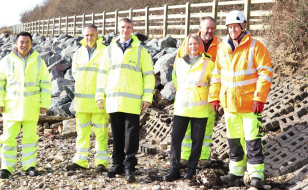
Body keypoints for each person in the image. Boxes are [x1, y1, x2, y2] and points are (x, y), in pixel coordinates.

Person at [209, 10, 272, 188]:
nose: (233, 29)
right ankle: (236, 172)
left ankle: (256, 175)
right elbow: (216, 74)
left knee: (252, 142)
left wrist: (260, 98)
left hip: (250, 105)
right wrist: (214, 97)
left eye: (236, 26)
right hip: (229, 106)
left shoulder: (255, 46)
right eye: (230, 26)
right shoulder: (222, 48)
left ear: (244, 26)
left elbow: (266, 73)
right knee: (234, 141)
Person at [95, 18, 155, 182]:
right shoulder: (109, 50)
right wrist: (100, 96)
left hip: (132, 101)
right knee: (116, 134)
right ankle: (118, 165)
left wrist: (147, 97)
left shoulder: (140, 51)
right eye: (122, 27)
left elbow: (149, 76)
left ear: (132, 29)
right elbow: (102, 75)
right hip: (113, 99)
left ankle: (130, 167)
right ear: (118, 28)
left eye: (128, 27)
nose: (125, 30)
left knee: (131, 136)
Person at [0, 31, 52, 179]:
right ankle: (6, 167)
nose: (24, 45)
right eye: (21, 42)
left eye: (27, 42)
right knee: (8, 138)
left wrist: (44, 103)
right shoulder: (6, 61)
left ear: (31, 44)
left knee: (30, 138)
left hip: (32, 106)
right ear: (16, 43)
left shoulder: (39, 61)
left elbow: (45, 84)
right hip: (11, 107)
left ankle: (29, 165)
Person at [163, 34, 214, 181]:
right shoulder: (178, 62)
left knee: (197, 140)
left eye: (196, 44)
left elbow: (213, 84)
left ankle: (191, 170)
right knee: (175, 138)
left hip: (200, 109)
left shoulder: (208, 63)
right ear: (186, 45)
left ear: (200, 46)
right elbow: (175, 81)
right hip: (182, 108)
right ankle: (173, 169)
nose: (193, 47)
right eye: (190, 44)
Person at [176, 16, 221, 168]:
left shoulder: (220, 44)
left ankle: (203, 157)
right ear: (200, 28)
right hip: (190, 97)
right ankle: (185, 157)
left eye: (212, 28)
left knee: (207, 129)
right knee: (187, 129)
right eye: (206, 28)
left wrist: (217, 95)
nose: (209, 31)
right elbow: (178, 68)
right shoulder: (189, 42)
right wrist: (180, 90)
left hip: (209, 96)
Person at [65, 24, 109, 172]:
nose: (89, 38)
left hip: (99, 101)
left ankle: (101, 162)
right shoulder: (79, 53)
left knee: (101, 132)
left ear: (97, 35)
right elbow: (75, 74)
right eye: (86, 35)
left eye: (92, 35)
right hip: (82, 101)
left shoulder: (105, 52)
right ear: (83, 36)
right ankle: (80, 160)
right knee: (82, 132)